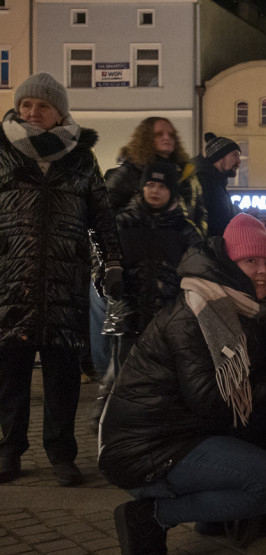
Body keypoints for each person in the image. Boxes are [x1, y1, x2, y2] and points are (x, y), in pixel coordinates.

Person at [99, 213, 266, 555]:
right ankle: (151, 515)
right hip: (147, 447)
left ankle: (219, 516)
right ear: (229, 263)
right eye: (251, 260)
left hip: (187, 432)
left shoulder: (241, 306)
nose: (263, 270)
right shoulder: (197, 313)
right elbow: (210, 400)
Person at [0, 72, 123, 486]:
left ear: (60, 112)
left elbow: (102, 218)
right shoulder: (1, 150)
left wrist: (113, 265)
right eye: (26, 104)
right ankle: (10, 449)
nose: (32, 112)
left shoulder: (81, 158)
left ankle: (61, 453)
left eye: (43, 106)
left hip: (65, 279)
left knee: (62, 374)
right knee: (10, 371)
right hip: (9, 279)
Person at [92, 159, 203, 426]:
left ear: (172, 191)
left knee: (162, 378)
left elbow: (199, 272)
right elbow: (99, 259)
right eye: (150, 184)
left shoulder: (186, 230)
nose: (155, 190)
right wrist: (105, 278)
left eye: (162, 186)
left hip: (167, 319)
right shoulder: (121, 223)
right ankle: (115, 428)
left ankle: (154, 428)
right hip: (127, 316)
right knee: (124, 378)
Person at [105, 116, 206, 232]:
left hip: (179, 243)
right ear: (146, 138)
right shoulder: (129, 171)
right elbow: (104, 211)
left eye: (171, 135)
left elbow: (200, 213)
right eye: (159, 134)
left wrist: (197, 241)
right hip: (136, 241)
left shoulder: (185, 173)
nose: (167, 138)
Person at [192, 132, 242, 238]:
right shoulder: (202, 181)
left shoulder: (218, 184)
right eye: (234, 155)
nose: (239, 161)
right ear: (219, 156)